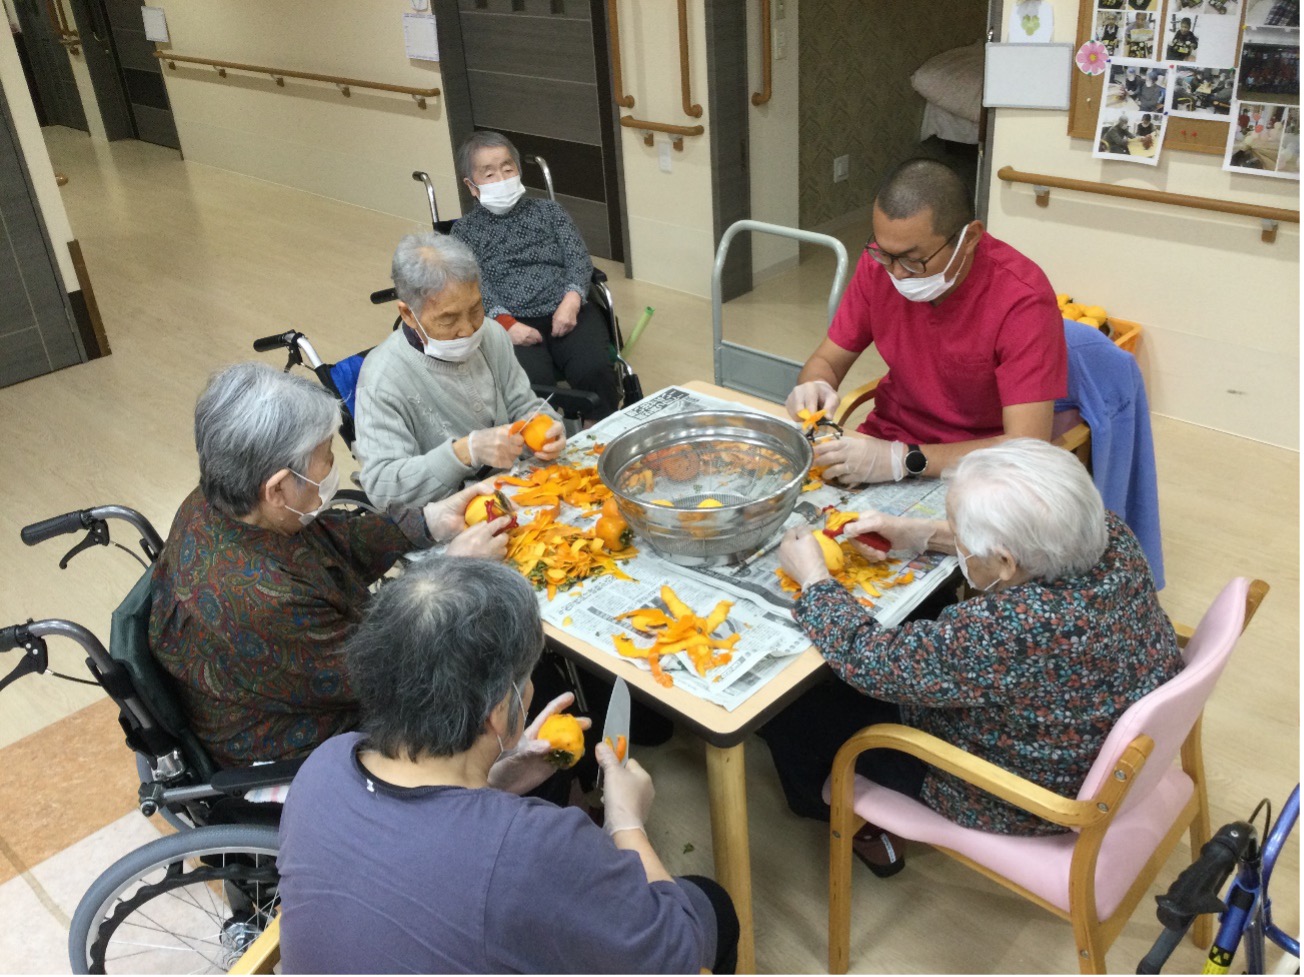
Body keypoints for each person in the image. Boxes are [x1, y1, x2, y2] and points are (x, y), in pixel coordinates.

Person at [277, 557, 740, 974]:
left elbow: (426, 857)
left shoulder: (325, 764)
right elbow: (675, 951)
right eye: (528, 677)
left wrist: (495, 783)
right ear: (500, 711)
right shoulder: (531, 847)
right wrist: (626, 822)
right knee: (710, 906)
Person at [758, 439, 1181, 875]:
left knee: (794, 707)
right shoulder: (1114, 538)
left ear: (1004, 562)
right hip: (1091, 730)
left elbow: (869, 662)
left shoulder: (1012, 626)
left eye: (957, 533)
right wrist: (920, 533)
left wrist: (814, 580)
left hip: (1022, 793)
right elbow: (1017, 557)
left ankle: (840, 816)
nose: (954, 538)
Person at [150, 363, 509, 768]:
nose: (333, 465)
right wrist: (449, 573)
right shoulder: (261, 597)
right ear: (279, 487)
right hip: (307, 740)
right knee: (493, 687)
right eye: (326, 456)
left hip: (318, 668)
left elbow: (331, 541)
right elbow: (382, 671)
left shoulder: (224, 500)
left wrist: (429, 521)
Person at [785, 158, 1066, 486]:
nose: (898, 273)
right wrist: (814, 387)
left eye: (914, 260)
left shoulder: (1022, 300)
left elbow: (1026, 446)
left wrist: (903, 460)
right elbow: (827, 362)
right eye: (885, 254)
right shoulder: (881, 267)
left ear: (970, 238)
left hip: (982, 465)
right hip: (888, 441)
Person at [354, 231, 566, 510]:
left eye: (476, 309)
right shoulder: (383, 380)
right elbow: (384, 487)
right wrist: (464, 453)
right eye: (448, 319)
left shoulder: (491, 334)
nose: (468, 329)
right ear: (408, 314)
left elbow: (522, 405)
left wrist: (547, 427)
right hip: (451, 514)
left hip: (515, 489)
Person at [450, 130, 620, 421]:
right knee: (530, 384)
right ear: (472, 186)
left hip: (567, 309)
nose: (502, 178)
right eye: (489, 174)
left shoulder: (550, 212)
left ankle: (598, 433)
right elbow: (475, 285)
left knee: (593, 369)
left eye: (508, 168)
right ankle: (544, 443)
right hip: (508, 321)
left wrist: (572, 300)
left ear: (518, 170)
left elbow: (579, 258)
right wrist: (506, 323)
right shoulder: (464, 232)